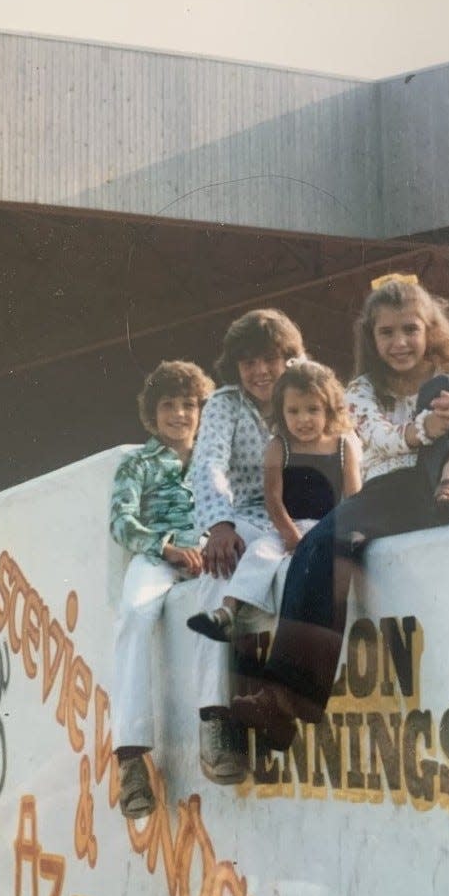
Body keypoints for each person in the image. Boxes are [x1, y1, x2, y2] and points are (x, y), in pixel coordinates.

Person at [231, 273, 449, 749]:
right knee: (318, 545)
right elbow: (379, 440)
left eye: (410, 329)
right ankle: (289, 699)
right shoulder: (359, 390)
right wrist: (428, 426)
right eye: (387, 332)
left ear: (429, 329)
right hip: (389, 494)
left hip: (440, 485)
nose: (399, 342)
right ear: (371, 338)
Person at [189, 308, 305, 782]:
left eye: (271, 360)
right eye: (248, 362)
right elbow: (209, 463)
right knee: (221, 572)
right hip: (243, 517)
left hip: (298, 515)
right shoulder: (224, 404)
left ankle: (275, 705)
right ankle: (215, 720)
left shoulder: (307, 393)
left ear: (290, 358)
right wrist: (218, 523)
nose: (260, 372)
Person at [187, 359, 361, 639]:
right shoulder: (278, 447)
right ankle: (227, 612)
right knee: (259, 554)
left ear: (329, 409)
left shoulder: (343, 447)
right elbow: (273, 499)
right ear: (281, 412)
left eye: (312, 410)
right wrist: (291, 536)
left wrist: (342, 532)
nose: (303, 419)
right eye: (293, 411)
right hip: (287, 528)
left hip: (328, 527)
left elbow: (353, 498)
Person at [109, 359, 214, 818]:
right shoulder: (139, 463)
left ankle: (217, 730)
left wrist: (213, 546)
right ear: (153, 414)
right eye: (168, 406)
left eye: (188, 405)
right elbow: (122, 521)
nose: (179, 415)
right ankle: (131, 758)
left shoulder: (216, 457)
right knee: (135, 615)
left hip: (212, 555)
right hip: (158, 557)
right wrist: (167, 547)